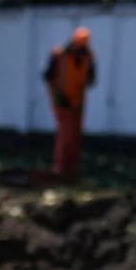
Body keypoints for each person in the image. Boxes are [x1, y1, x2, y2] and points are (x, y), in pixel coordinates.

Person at [43, 27, 97, 182]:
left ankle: (72, 169)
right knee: (65, 133)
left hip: (78, 101)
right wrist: (57, 96)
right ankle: (60, 167)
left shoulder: (88, 57)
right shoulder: (59, 55)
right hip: (61, 100)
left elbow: (91, 79)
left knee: (75, 135)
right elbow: (48, 77)